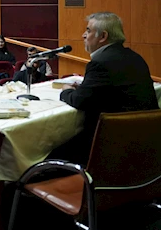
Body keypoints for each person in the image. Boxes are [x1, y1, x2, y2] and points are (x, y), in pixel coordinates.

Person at [56, 13, 159, 163]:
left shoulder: (100, 63)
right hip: (145, 142)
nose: (83, 35)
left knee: (46, 151)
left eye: (88, 30)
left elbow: (80, 101)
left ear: (103, 36)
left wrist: (66, 90)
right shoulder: (135, 57)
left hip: (111, 146)